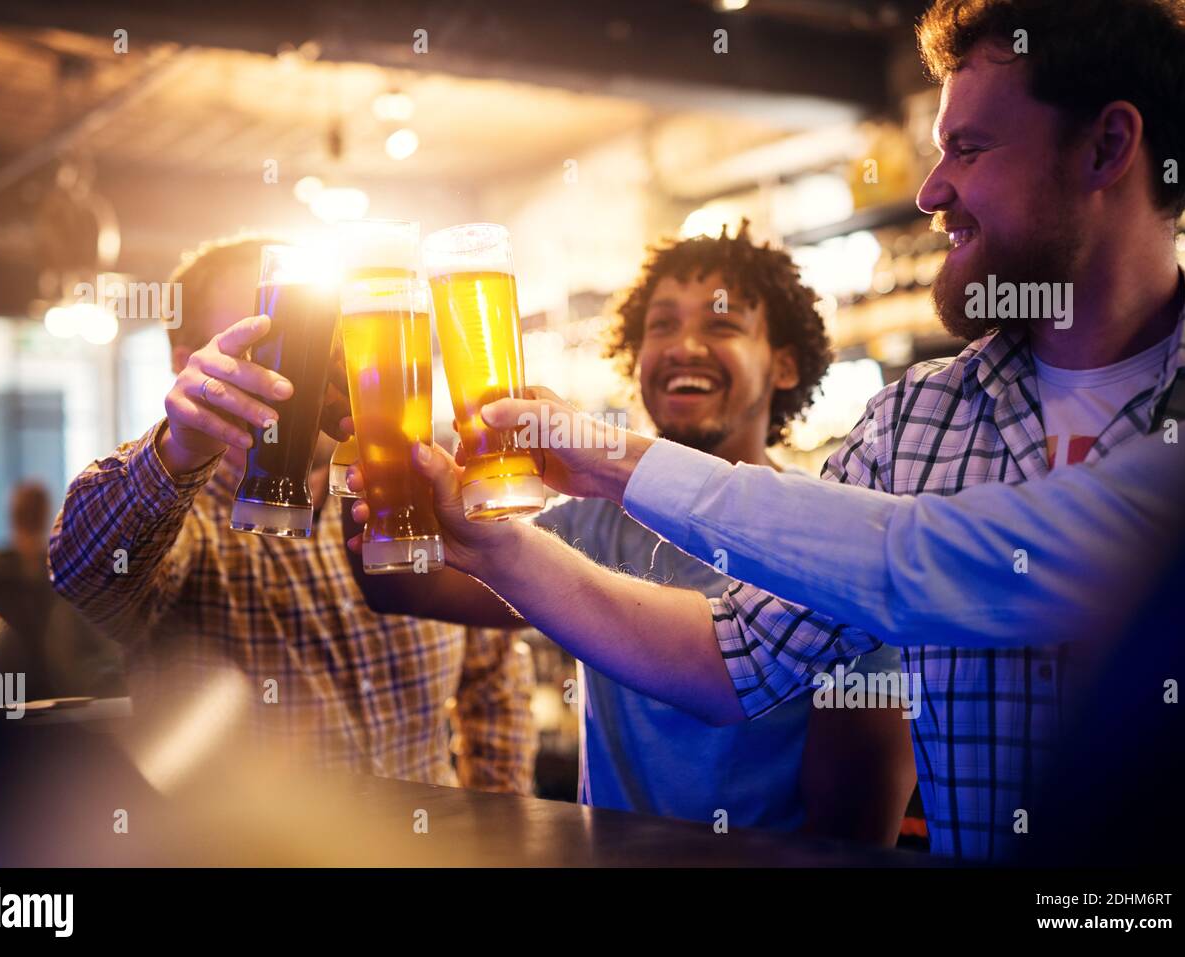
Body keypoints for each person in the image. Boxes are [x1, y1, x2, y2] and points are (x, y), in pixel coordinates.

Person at [349, 0, 1185, 858]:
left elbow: (900, 567)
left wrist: (607, 453)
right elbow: (731, 659)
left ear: (1108, 146)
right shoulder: (915, 423)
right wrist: (476, 532)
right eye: (660, 323)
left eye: (970, 146)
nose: (930, 189)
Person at [350, 225, 914, 841]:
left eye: (722, 325)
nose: (685, 346)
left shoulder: (823, 535)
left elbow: (857, 820)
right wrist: (371, 443)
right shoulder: (597, 519)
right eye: (662, 325)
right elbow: (406, 586)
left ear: (784, 365)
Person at [48, 235, 535, 792]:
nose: (306, 365)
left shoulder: (404, 492)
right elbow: (84, 577)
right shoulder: (185, 522)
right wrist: (176, 449)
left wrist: (499, 830)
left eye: (318, 337)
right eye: (266, 341)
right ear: (190, 366)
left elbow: (493, 678)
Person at [0, 481, 124, 700]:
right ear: (47, 514)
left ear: (13, 516)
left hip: (5, 695)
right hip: (59, 694)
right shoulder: (64, 568)